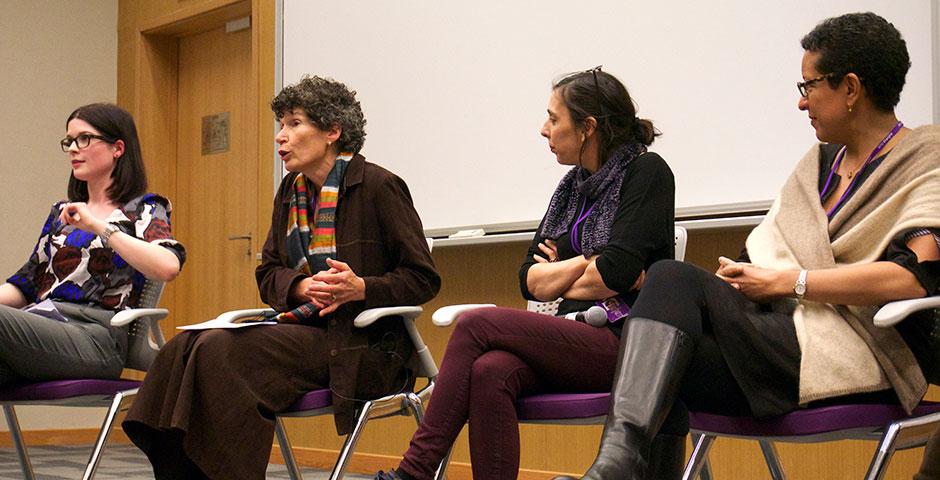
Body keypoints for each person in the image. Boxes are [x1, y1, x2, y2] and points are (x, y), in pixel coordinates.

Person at [557, 12, 940, 480]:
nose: (802, 104)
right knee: (663, 362)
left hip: (858, 349)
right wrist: (741, 278)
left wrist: (790, 281)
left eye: (809, 87)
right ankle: (619, 465)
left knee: (669, 278)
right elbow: (766, 251)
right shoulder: (816, 166)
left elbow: (913, 280)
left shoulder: (925, 159)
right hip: (778, 338)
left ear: (851, 89)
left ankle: (617, 465)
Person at [121, 75, 441, 480]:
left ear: (331, 131)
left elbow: (423, 279)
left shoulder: (379, 186)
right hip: (305, 328)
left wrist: (361, 287)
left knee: (220, 352)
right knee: (185, 346)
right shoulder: (291, 190)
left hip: (364, 343)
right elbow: (268, 272)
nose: (280, 137)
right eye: (281, 125)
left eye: (293, 124)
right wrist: (301, 286)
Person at [374, 67, 676, 480]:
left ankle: (415, 471)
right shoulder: (572, 187)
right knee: (489, 371)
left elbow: (616, 274)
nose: (543, 129)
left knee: (476, 325)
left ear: (588, 128)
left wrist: (572, 269)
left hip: (625, 342)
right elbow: (528, 278)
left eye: (554, 119)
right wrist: (588, 261)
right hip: (566, 331)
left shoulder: (647, 173)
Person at [0, 103, 184, 387]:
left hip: (97, 338)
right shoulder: (62, 213)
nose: (74, 148)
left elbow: (168, 266)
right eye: (69, 141)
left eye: (84, 139)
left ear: (117, 148)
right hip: (45, 326)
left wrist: (99, 226)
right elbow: (26, 285)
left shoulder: (143, 208)